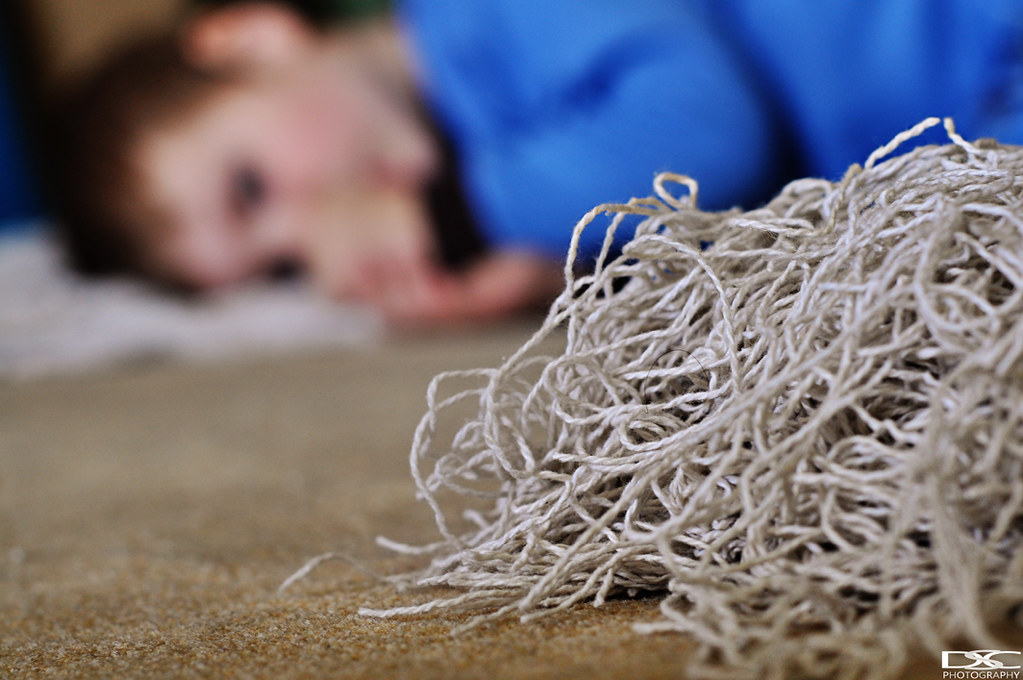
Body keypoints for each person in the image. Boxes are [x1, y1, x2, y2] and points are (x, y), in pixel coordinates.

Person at [51, 0, 1023, 324]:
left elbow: (706, 128)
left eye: (251, 186)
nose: (312, 228)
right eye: (279, 267)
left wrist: (454, 217)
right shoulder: (506, 165)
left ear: (254, 39)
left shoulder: (483, 14)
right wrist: (537, 267)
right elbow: (683, 220)